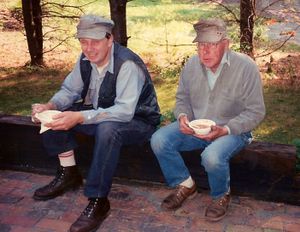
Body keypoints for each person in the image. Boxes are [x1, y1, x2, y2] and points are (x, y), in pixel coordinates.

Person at [31, 14, 160, 232]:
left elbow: (124, 112)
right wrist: (50, 106)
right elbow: (70, 90)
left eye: (95, 42)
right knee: (57, 115)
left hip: (138, 121)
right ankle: (68, 173)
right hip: (102, 113)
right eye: (83, 42)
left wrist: (80, 117)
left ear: (110, 40)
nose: (89, 48)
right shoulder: (84, 59)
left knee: (108, 128)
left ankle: (99, 200)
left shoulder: (127, 64)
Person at [150, 18, 265, 222]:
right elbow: (182, 98)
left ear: (226, 45)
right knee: (159, 139)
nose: (205, 51)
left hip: (234, 131)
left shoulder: (245, 67)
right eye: (201, 45)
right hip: (197, 128)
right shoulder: (192, 64)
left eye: (211, 45)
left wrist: (226, 129)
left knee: (211, 156)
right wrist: (183, 116)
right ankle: (185, 184)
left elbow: (256, 111)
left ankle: (221, 195)